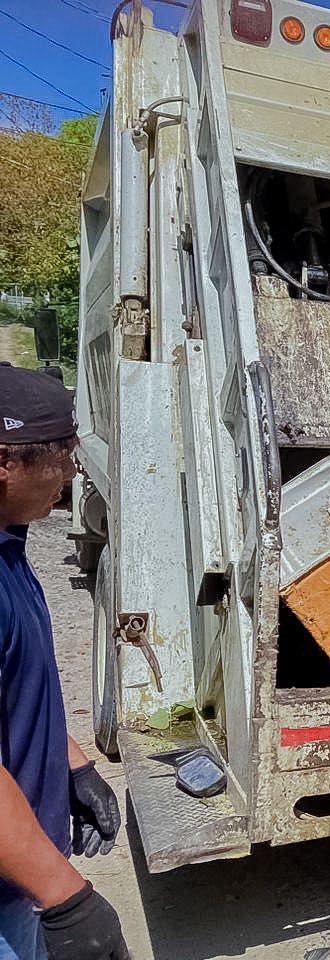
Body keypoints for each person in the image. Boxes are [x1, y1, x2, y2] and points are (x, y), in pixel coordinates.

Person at [0, 364, 130, 960]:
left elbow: (19, 689)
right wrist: (66, 898)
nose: (73, 470)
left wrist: (72, 764)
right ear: (6, 462)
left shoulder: (10, 546)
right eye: (60, 455)